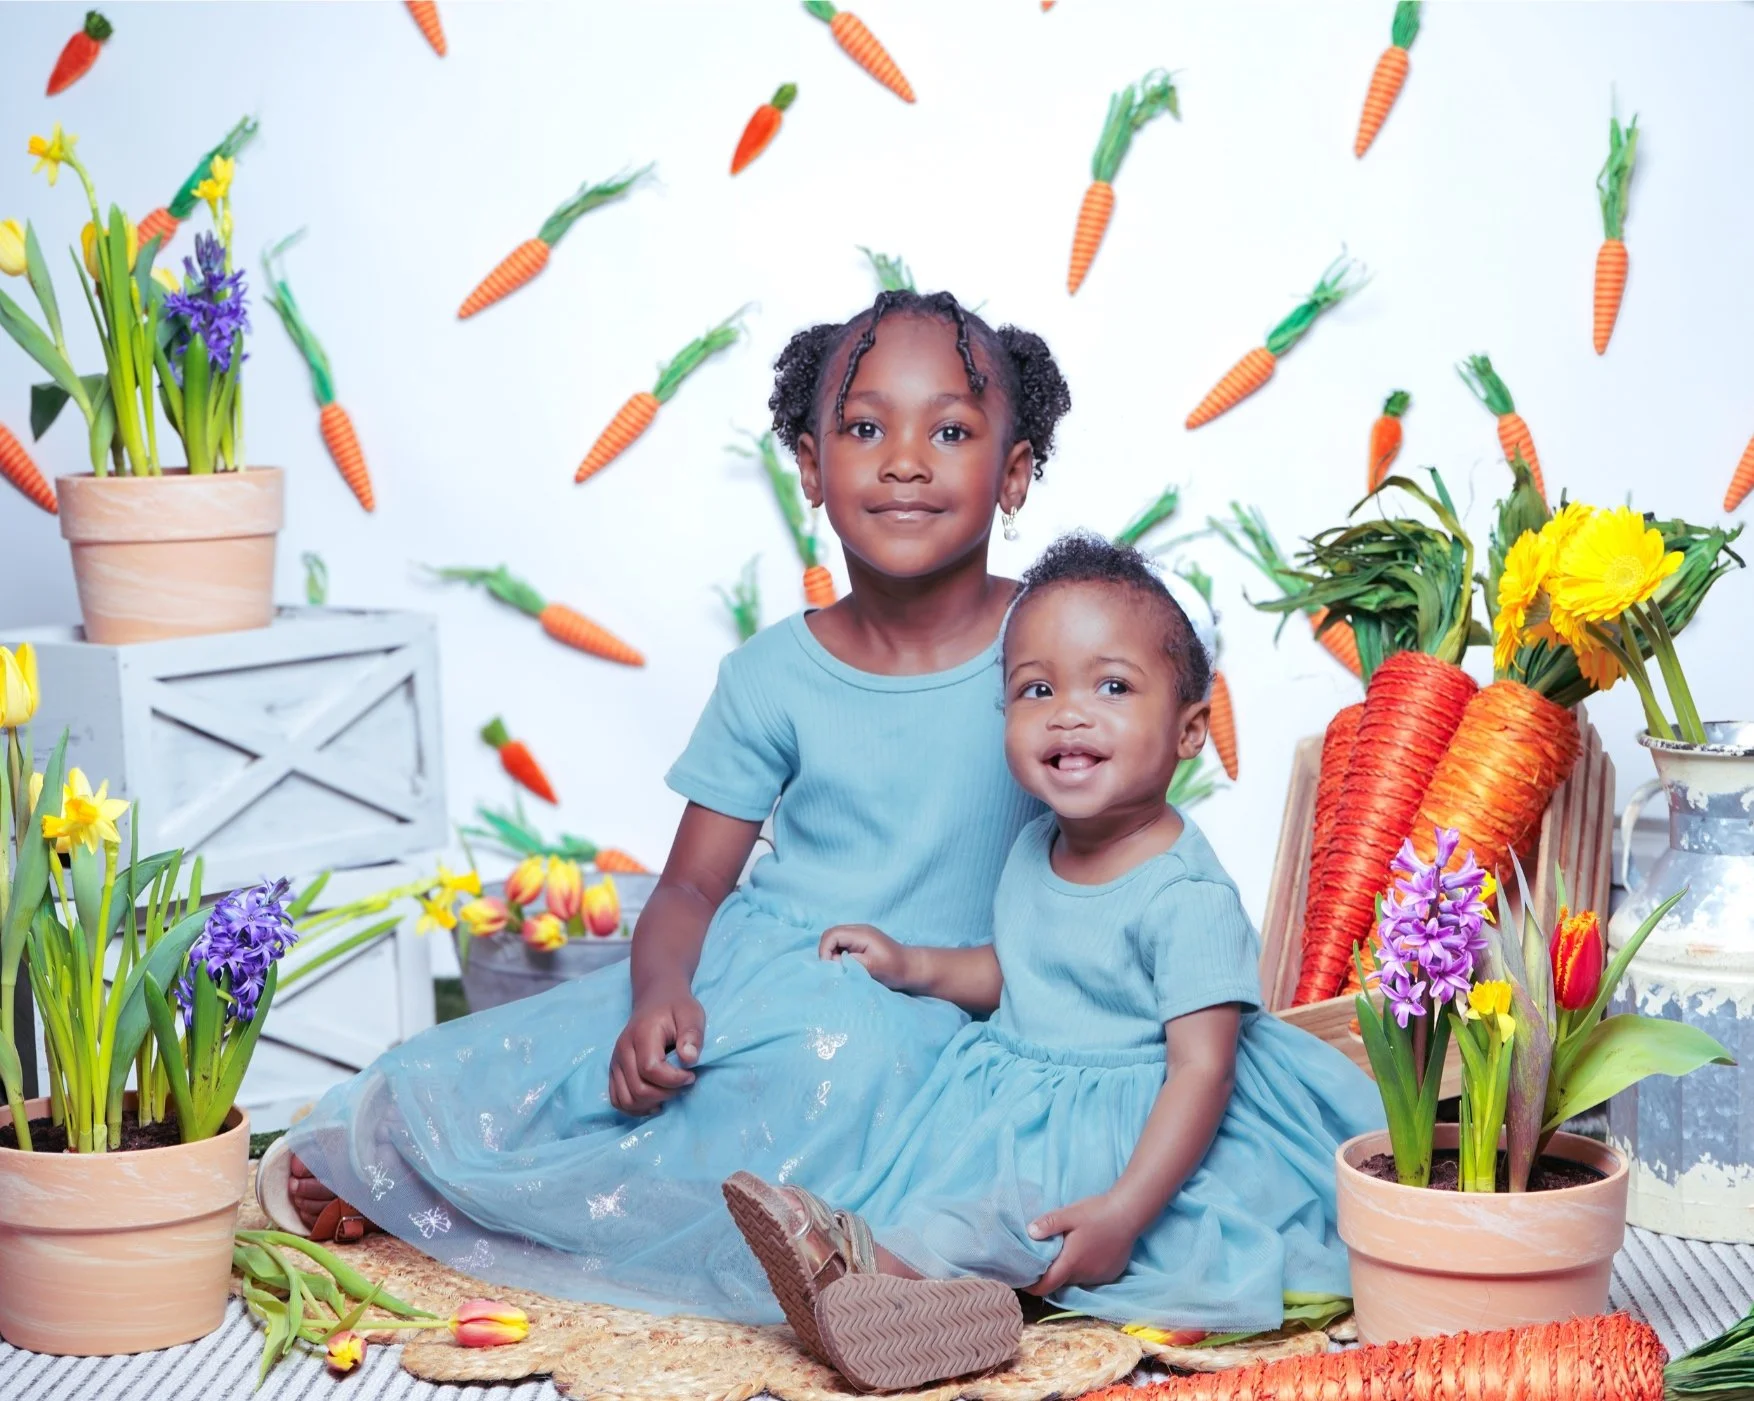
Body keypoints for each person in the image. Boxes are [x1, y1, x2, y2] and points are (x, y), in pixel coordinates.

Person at [261, 290, 1072, 1323]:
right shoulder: (774, 674)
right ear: (811, 469)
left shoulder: (1052, 644)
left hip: (967, 994)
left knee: (864, 1067)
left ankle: (864, 1264)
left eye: (949, 431)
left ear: (1011, 476)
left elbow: (1114, 825)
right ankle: (414, 1165)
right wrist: (656, 999)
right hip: (785, 976)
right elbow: (690, 883)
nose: (903, 459)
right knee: (559, 1069)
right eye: (863, 429)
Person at [722, 533, 1385, 1392]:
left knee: (1004, 1215)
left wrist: (1126, 1209)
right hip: (1023, 1102)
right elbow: (1019, 973)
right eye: (1037, 688)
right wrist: (914, 963)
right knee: (925, 1177)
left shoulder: (1184, 891)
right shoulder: (1035, 846)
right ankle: (899, 1291)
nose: (1069, 712)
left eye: (1112, 686)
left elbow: (1204, 1069)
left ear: (1189, 730)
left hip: (1137, 1127)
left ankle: (874, 1285)